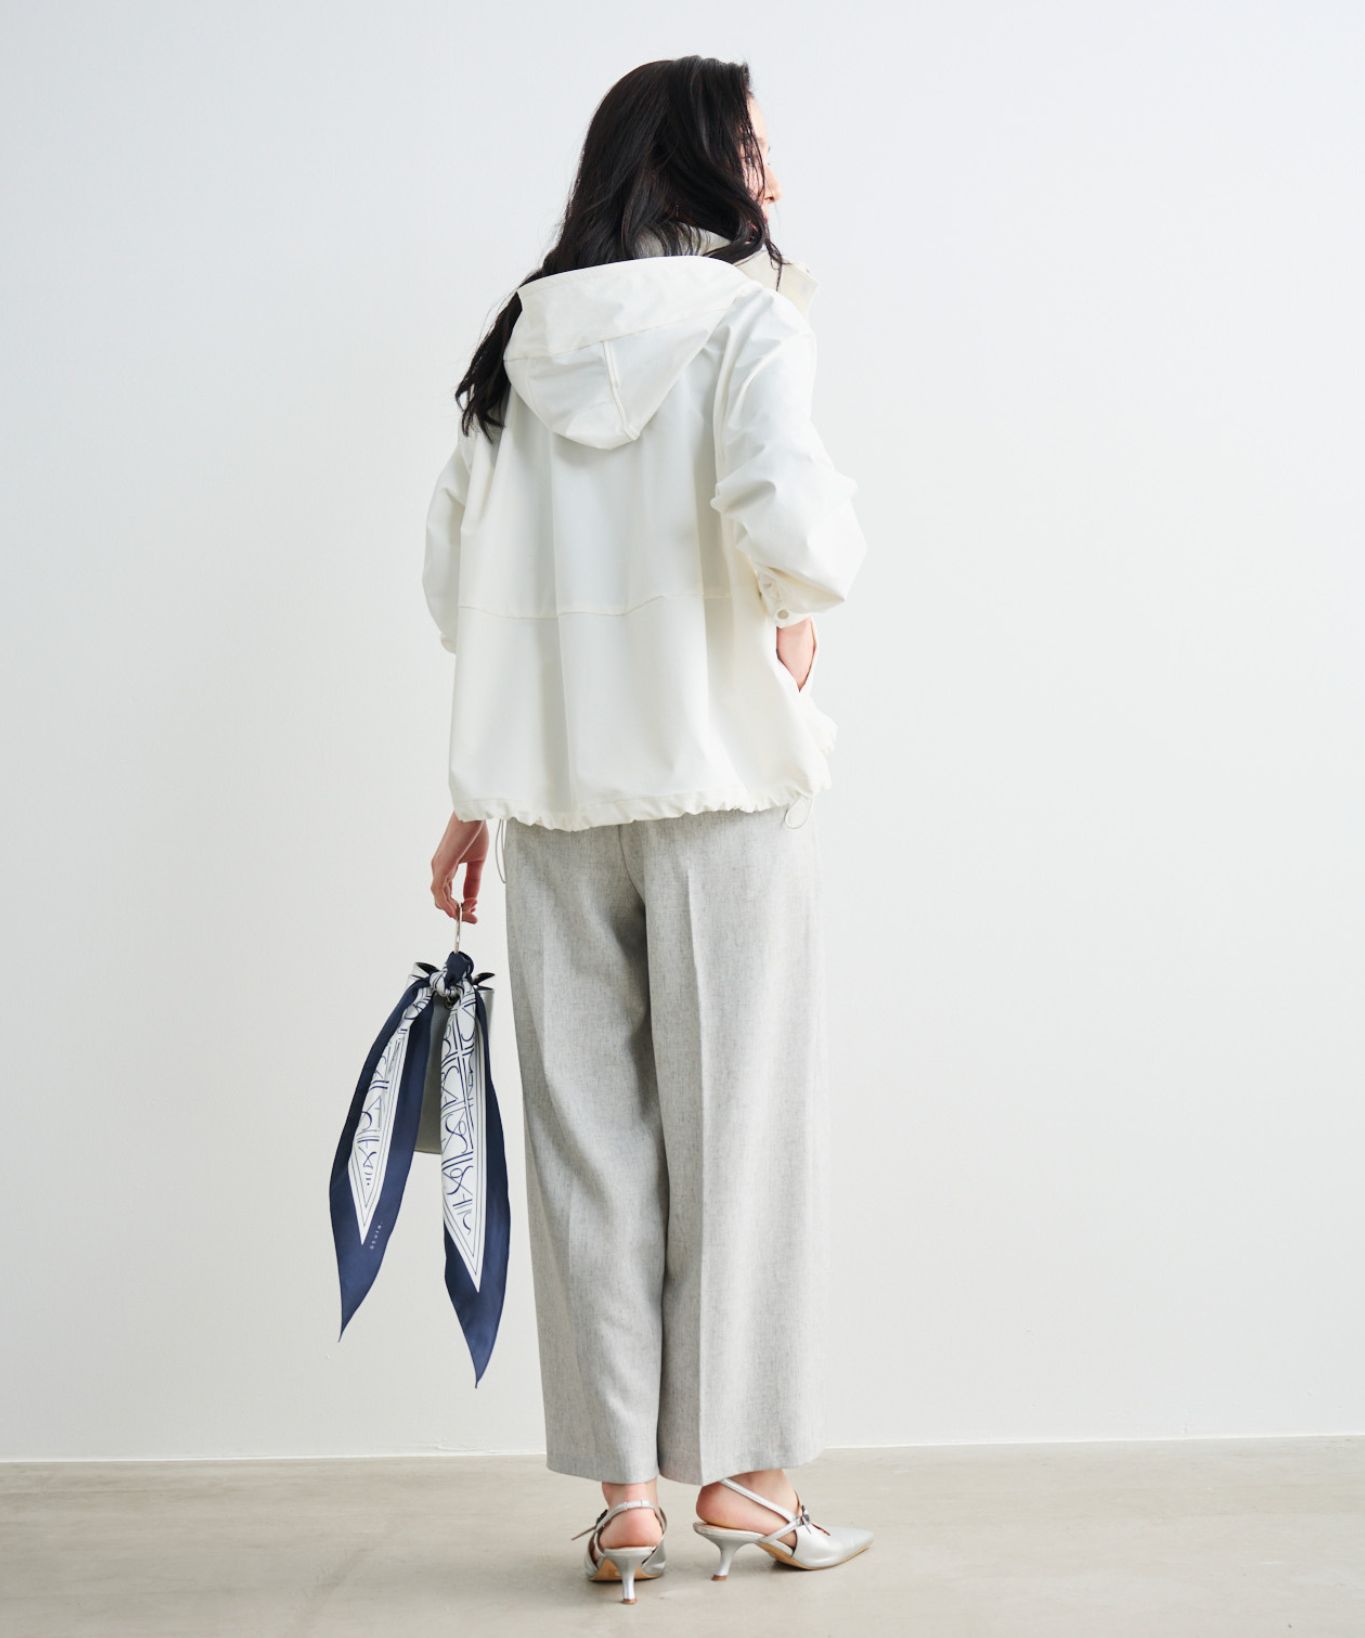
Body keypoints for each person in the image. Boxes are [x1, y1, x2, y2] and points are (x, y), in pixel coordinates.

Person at [421, 55, 871, 1602]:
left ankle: (625, 1500)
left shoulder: (520, 342)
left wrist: (471, 792)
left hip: (554, 797)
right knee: (739, 1136)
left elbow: (457, 577)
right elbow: (789, 515)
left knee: (585, 1146)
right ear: (694, 163)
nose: (773, 177)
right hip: (720, 786)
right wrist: (796, 607)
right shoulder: (748, 321)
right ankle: (745, 1477)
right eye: (753, 146)